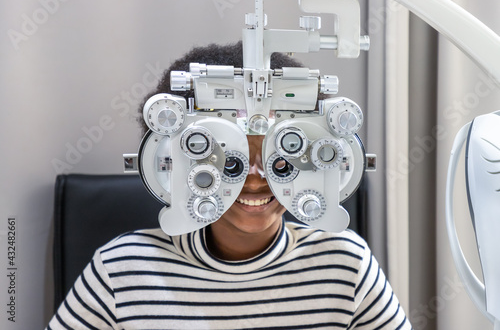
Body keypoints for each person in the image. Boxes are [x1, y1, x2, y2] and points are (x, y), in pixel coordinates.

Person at [46, 42, 412, 329]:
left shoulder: (345, 263)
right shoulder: (120, 268)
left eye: (279, 160)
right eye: (229, 162)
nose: (256, 178)